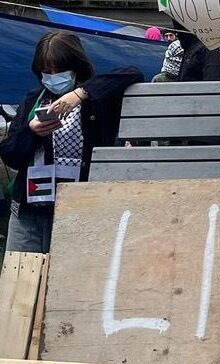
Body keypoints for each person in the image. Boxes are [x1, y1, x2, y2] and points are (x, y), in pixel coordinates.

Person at [0, 31, 143, 253]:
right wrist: (32, 132)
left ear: (76, 67)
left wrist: (80, 93)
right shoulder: (33, 99)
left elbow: (132, 73)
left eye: (60, 70)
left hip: (80, 211)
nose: (53, 76)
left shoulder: (96, 98)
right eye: (47, 71)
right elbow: (11, 155)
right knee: (21, 282)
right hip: (30, 213)